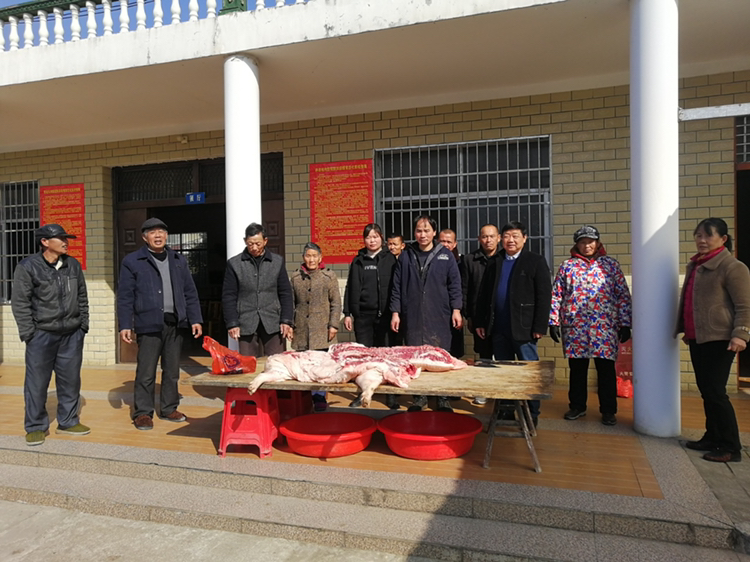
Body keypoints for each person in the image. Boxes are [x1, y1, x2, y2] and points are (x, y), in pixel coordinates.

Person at [118, 218, 204, 431]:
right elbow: (125, 296)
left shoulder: (178, 259)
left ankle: (169, 408)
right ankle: (143, 413)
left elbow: (190, 292)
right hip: (148, 324)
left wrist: (195, 319)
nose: (158, 236)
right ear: (144, 237)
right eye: (152, 232)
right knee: (146, 371)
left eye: (161, 232)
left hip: (174, 324)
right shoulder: (133, 261)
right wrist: (125, 324)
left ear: (166, 235)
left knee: (172, 370)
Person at [676, 218, 750, 463]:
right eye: (698, 235)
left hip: (721, 338)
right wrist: (687, 330)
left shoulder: (733, 267)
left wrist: (741, 334)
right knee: (706, 390)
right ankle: (712, 437)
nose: (702, 240)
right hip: (699, 338)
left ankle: (731, 447)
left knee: (716, 392)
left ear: (723, 239)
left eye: (708, 235)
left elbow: (744, 305)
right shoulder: (696, 265)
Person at [12, 224, 90, 446]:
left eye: (66, 238)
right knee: (37, 383)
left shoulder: (72, 265)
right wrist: (30, 334)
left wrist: (82, 326)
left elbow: (82, 297)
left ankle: (68, 421)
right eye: (61, 238)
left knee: (70, 381)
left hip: (71, 334)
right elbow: (20, 303)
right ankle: (36, 426)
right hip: (42, 335)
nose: (66, 242)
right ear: (45, 242)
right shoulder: (28, 267)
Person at [549, 225, 632, 426]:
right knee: (577, 369)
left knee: (606, 370)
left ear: (597, 243)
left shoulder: (610, 265)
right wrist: (553, 321)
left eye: (591, 242)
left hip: (604, 328)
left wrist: (625, 323)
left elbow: (622, 295)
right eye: (583, 242)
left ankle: (608, 410)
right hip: (575, 328)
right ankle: (577, 406)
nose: (587, 245)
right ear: (577, 245)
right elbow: (557, 294)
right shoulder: (567, 266)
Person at [475, 221, 551, 425]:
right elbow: (484, 293)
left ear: (524, 238)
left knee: (529, 372)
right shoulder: (495, 261)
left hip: (524, 328)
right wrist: (481, 321)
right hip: (499, 328)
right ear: (502, 239)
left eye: (515, 236)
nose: (511, 240)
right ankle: (506, 410)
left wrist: (539, 326)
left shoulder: (535, 261)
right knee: (504, 372)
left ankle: (532, 413)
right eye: (507, 236)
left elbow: (544, 295)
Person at [391, 215, 463, 412]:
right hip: (413, 315)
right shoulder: (406, 255)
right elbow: (396, 286)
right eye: (418, 231)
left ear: (434, 233)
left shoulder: (445, 255)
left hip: (439, 315)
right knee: (415, 359)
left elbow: (455, 285)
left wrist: (456, 309)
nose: (422, 235)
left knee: (440, 358)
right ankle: (419, 397)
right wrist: (396, 312)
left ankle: (442, 398)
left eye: (426, 230)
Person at [343, 223, 398, 408]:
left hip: (385, 316)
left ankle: (391, 395)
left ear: (381, 238)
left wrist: (396, 312)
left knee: (386, 357)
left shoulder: (391, 259)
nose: (372, 240)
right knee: (364, 358)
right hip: (363, 316)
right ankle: (362, 393)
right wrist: (348, 313)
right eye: (368, 237)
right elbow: (350, 287)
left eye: (375, 236)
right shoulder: (358, 260)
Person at [222, 222, 294, 357]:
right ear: (245, 241)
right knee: (247, 364)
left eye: (258, 244)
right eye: (250, 244)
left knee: (276, 362)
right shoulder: (234, 264)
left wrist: (286, 320)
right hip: (246, 321)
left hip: (273, 320)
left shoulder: (277, 262)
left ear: (265, 241)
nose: (254, 248)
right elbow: (229, 295)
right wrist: (232, 323)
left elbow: (285, 293)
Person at [290, 242, 342, 411]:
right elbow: (291, 303)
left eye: (314, 256)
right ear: (303, 258)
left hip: (322, 329)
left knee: (320, 366)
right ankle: (304, 397)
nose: (311, 259)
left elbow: (336, 303)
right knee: (303, 365)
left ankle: (319, 396)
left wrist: (333, 325)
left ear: (320, 258)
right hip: (301, 329)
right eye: (308, 256)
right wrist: (290, 325)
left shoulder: (329, 276)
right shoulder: (295, 277)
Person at [461, 224, 500, 405]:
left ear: (498, 238)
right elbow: (465, 289)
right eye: (484, 236)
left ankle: (501, 393)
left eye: (492, 236)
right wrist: (468, 316)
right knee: (484, 354)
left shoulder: (503, 259)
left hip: (501, 315)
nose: (488, 240)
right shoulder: (470, 260)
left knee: (502, 355)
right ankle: (482, 390)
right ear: (479, 239)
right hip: (479, 316)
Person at [439, 228, 465, 360]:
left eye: (448, 242)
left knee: (454, 350)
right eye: (442, 241)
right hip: (438, 310)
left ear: (455, 244)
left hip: (454, 310)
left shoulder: (461, 262)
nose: (445, 245)